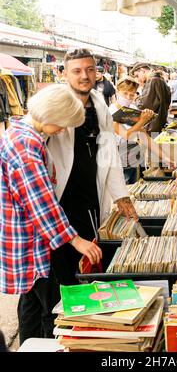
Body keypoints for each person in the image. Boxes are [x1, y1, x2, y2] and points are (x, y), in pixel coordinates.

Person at [0, 84, 102, 345]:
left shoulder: (21, 132)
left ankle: (29, 346)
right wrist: (75, 239)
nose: (62, 130)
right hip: (32, 240)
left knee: (31, 302)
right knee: (51, 308)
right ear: (51, 114)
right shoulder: (26, 146)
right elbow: (41, 203)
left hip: (25, 237)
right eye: (62, 123)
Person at [47, 48, 138, 286]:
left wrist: (121, 195)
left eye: (89, 69)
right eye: (77, 71)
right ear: (65, 74)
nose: (84, 76)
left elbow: (110, 153)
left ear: (97, 73)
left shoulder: (99, 104)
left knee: (88, 262)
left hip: (91, 198)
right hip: (60, 199)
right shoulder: (55, 103)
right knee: (59, 268)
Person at [108, 76, 174, 184]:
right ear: (117, 92)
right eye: (125, 93)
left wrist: (165, 158)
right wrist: (142, 120)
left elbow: (144, 137)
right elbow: (126, 135)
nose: (128, 97)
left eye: (132, 94)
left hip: (134, 158)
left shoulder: (133, 108)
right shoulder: (111, 111)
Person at [130, 62, 171, 134]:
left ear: (142, 70)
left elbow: (143, 105)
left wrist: (136, 98)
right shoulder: (160, 79)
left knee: (152, 144)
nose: (137, 78)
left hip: (153, 126)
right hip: (160, 123)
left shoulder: (152, 80)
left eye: (137, 75)